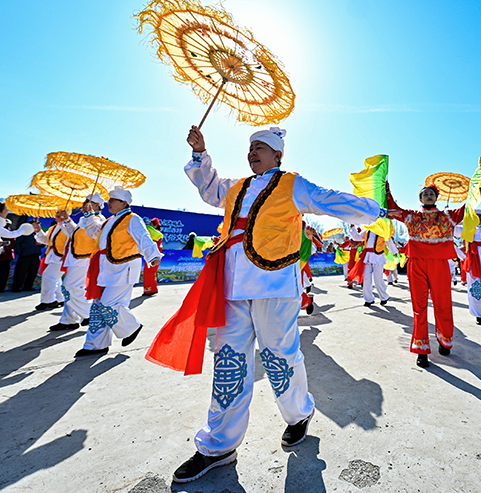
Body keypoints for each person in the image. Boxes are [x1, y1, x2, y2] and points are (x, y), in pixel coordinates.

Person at [148, 125, 383, 483]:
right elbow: (209, 188)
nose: (252, 153)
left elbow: (329, 199)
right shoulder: (237, 186)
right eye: (250, 148)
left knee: (279, 357)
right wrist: (200, 153)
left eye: (260, 147)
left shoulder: (293, 184)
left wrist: (373, 210)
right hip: (231, 283)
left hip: (275, 282)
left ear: (278, 155)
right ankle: (218, 445)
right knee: (228, 362)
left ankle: (298, 414)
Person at [74, 186, 160, 358]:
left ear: (124, 203)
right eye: (109, 200)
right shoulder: (108, 221)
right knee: (98, 307)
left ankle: (131, 327)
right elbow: (95, 233)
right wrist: (89, 216)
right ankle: (95, 345)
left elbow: (143, 237)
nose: (109, 203)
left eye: (113, 200)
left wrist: (153, 255)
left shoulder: (132, 219)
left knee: (108, 305)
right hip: (106, 268)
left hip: (124, 268)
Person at [386, 183, 464, 367]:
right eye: (425, 194)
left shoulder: (447, 216)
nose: (428, 195)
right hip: (417, 263)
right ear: (420, 199)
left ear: (436, 197)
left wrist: (478, 189)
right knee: (419, 306)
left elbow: (467, 208)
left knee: (443, 303)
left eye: (431, 193)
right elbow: (394, 209)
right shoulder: (412, 216)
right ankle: (421, 349)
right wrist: (387, 191)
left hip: (439, 263)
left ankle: (445, 340)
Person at [48, 194, 106, 331]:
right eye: (85, 202)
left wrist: (90, 217)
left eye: (90, 202)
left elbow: (97, 235)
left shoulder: (99, 219)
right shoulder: (83, 219)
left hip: (85, 259)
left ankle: (88, 313)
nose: (86, 204)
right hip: (75, 258)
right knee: (73, 289)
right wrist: (66, 220)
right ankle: (68, 320)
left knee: (69, 288)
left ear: (98, 206)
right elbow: (73, 234)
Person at [348, 225, 398, 307]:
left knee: (378, 279)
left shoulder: (382, 231)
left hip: (378, 257)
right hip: (367, 256)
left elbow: (388, 241)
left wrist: (394, 251)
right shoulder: (366, 231)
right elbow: (357, 237)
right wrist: (353, 228)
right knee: (366, 279)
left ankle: (384, 297)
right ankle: (369, 299)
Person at [34, 214, 69, 311]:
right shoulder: (53, 227)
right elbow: (46, 240)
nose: (58, 216)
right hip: (52, 255)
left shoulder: (69, 227)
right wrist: (39, 231)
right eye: (57, 214)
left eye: (60, 214)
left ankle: (48, 300)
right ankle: (60, 298)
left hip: (62, 256)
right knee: (55, 278)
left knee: (49, 275)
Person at [11, 222, 43, 292]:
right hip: (25, 255)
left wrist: (41, 243)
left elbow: (43, 243)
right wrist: (19, 252)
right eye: (35, 225)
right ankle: (16, 287)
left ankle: (28, 286)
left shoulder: (38, 234)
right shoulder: (25, 233)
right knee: (21, 271)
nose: (37, 227)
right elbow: (18, 243)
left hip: (35, 255)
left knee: (33, 272)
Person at [143, 218, 164, 296]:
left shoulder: (155, 234)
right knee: (148, 272)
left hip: (154, 255)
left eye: (151, 225)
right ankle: (151, 289)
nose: (149, 226)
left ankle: (150, 290)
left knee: (149, 272)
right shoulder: (154, 233)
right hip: (151, 255)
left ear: (155, 226)